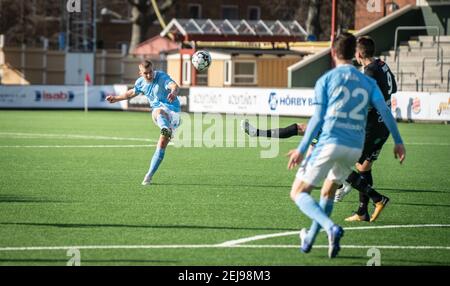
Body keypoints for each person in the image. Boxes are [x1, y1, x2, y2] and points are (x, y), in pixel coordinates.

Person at [243, 36, 397, 223]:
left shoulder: (365, 74)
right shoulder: (382, 65)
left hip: (367, 126)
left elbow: (365, 101)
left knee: (336, 162)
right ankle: (362, 210)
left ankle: (363, 194)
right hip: (382, 126)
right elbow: (391, 90)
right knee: (363, 167)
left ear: (357, 53)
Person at [286, 33, 405, 258]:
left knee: (297, 193)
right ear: (355, 54)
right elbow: (385, 111)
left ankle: (331, 228)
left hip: (331, 142)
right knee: (328, 191)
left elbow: (317, 118)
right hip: (354, 147)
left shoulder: (327, 80)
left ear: (333, 53)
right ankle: (309, 240)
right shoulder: (368, 81)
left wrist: (302, 149)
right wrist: (399, 141)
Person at [106, 60, 181, 185]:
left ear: (153, 69)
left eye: (151, 72)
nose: (149, 75)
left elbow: (174, 86)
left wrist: (173, 93)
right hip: (159, 113)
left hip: (173, 114)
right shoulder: (140, 83)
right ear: (140, 73)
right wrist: (116, 98)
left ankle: (149, 174)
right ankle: (165, 128)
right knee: (159, 113)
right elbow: (131, 93)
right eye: (145, 73)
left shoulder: (162, 77)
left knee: (162, 143)